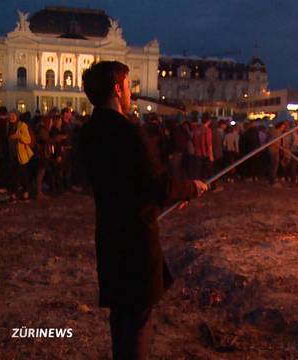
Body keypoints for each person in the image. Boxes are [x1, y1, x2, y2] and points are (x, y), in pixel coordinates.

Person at [79, 61, 207, 359]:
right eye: (127, 85)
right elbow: (157, 185)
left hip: (109, 235)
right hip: (136, 241)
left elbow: (128, 184)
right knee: (137, 319)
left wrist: (165, 196)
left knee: (120, 316)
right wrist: (190, 188)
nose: (130, 92)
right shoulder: (129, 133)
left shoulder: (89, 133)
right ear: (116, 88)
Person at [7, 109, 33, 201]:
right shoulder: (8, 126)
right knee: (14, 175)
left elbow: (28, 139)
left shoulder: (22, 125)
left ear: (17, 116)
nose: (12, 117)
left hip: (22, 155)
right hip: (12, 154)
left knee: (23, 175)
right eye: (10, 115)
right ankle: (14, 194)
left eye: (13, 115)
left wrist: (19, 137)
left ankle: (25, 193)